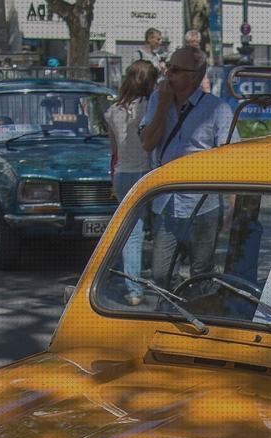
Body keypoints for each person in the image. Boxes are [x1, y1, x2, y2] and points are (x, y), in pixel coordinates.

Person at [139, 46, 239, 288]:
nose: (167, 74)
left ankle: (195, 313)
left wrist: (232, 204)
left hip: (202, 205)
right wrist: (162, 107)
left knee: (200, 272)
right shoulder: (157, 100)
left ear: (194, 75)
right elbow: (148, 143)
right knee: (160, 273)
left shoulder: (217, 109)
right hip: (166, 202)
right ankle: (176, 305)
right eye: (167, 68)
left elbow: (233, 158)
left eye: (174, 69)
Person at [106, 61, 159, 304]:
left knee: (130, 232)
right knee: (159, 226)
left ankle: (132, 287)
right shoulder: (153, 106)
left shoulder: (113, 110)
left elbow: (114, 150)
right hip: (148, 172)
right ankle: (159, 282)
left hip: (122, 173)